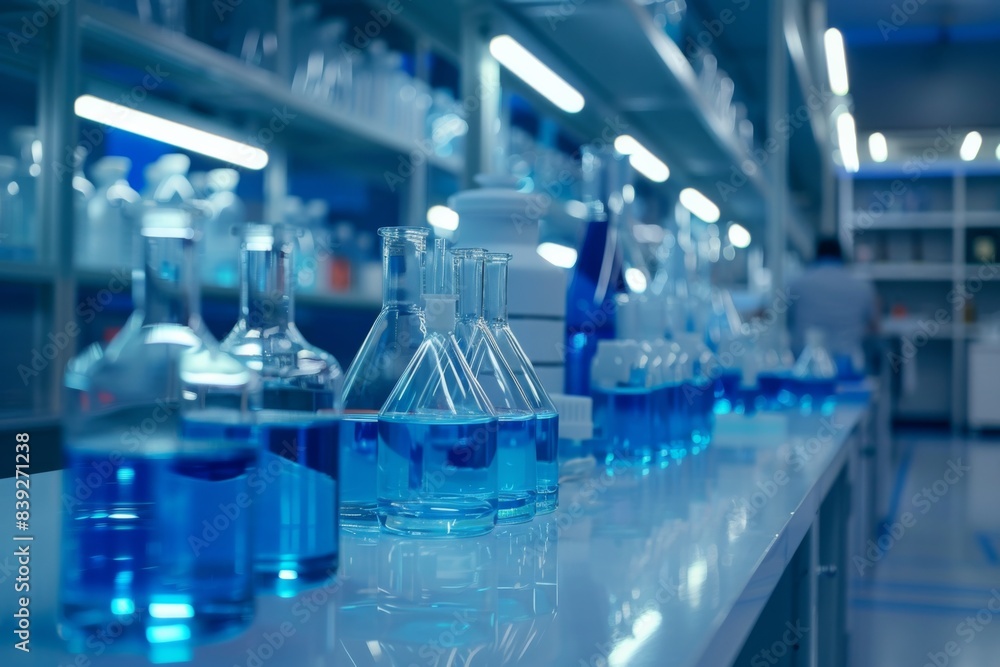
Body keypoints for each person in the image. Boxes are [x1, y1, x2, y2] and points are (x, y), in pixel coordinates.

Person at [787, 236, 879, 374]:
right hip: (849, 371)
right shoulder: (863, 287)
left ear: (816, 254)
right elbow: (875, 327)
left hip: (807, 371)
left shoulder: (797, 285)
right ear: (841, 256)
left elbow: (783, 322)